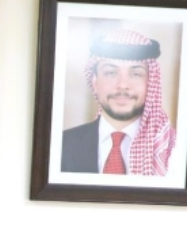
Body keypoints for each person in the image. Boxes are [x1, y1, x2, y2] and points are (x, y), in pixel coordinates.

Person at [61, 29, 177, 176]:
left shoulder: (174, 149)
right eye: (111, 73)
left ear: (151, 82)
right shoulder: (61, 145)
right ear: (95, 83)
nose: (122, 85)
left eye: (135, 74)